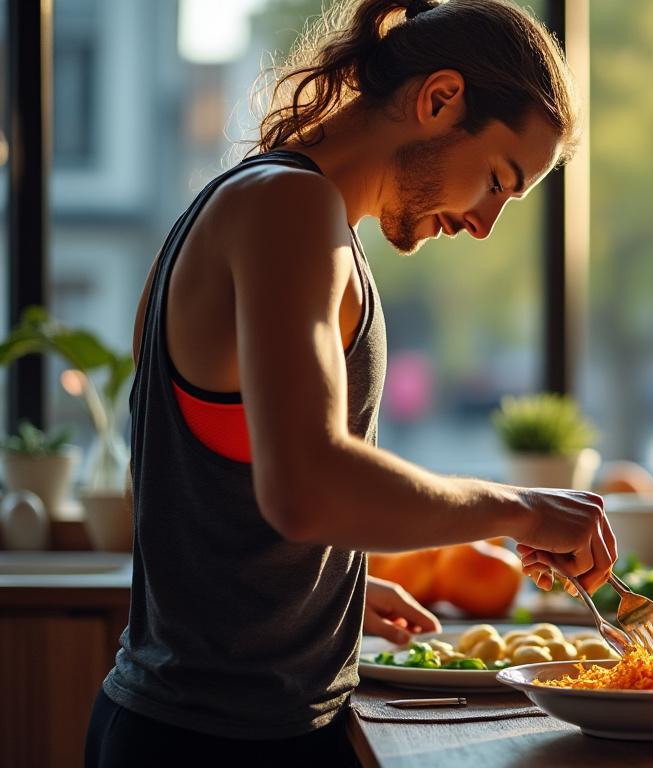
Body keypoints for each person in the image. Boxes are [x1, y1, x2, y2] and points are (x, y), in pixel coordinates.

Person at [85, 1, 615, 764]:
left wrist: (333, 596)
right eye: (497, 180)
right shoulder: (289, 206)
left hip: (191, 725)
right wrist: (523, 510)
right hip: (218, 743)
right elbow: (306, 489)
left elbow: (178, 500)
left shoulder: (262, 206)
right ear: (439, 100)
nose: (485, 223)